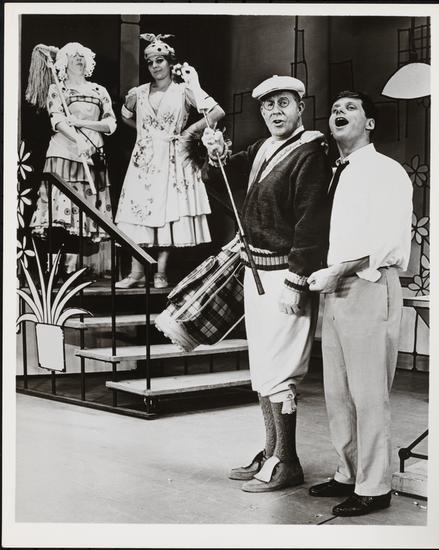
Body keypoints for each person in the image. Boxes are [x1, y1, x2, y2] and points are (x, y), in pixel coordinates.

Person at [201, 75, 332, 492]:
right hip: (255, 270)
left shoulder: (312, 151)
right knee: (263, 368)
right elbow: (220, 179)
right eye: (268, 105)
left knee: (281, 371)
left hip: (285, 276)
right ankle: (271, 449)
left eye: (283, 103)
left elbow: (311, 222)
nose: (275, 111)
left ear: (300, 107)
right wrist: (215, 155)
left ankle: (287, 460)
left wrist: (297, 280)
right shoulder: (261, 148)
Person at [307, 91, 413, 516]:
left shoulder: (386, 171)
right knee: (337, 391)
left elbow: (388, 241)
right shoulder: (338, 172)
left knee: (369, 393)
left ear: (370, 123)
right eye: (335, 108)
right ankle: (347, 472)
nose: (339, 112)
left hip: (369, 284)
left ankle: (375, 486)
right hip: (336, 287)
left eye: (350, 108)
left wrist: (339, 270)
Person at [115, 33, 225, 289]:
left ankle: (160, 272)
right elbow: (125, 116)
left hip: (172, 158)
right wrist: (145, 133)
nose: (155, 66)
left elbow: (216, 111)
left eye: (160, 60)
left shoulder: (183, 90)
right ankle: (136, 272)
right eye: (150, 62)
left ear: (169, 62)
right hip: (143, 159)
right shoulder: (139, 92)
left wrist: (188, 132)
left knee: (166, 213)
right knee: (137, 212)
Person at [30, 42, 116, 277]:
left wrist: (83, 125)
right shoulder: (58, 89)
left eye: (82, 55)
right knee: (59, 213)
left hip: (92, 156)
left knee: (83, 215)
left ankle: (73, 270)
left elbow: (111, 124)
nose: (79, 59)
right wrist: (77, 139)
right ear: (63, 62)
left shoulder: (99, 90)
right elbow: (57, 119)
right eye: (73, 55)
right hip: (64, 154)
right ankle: (52, 270)